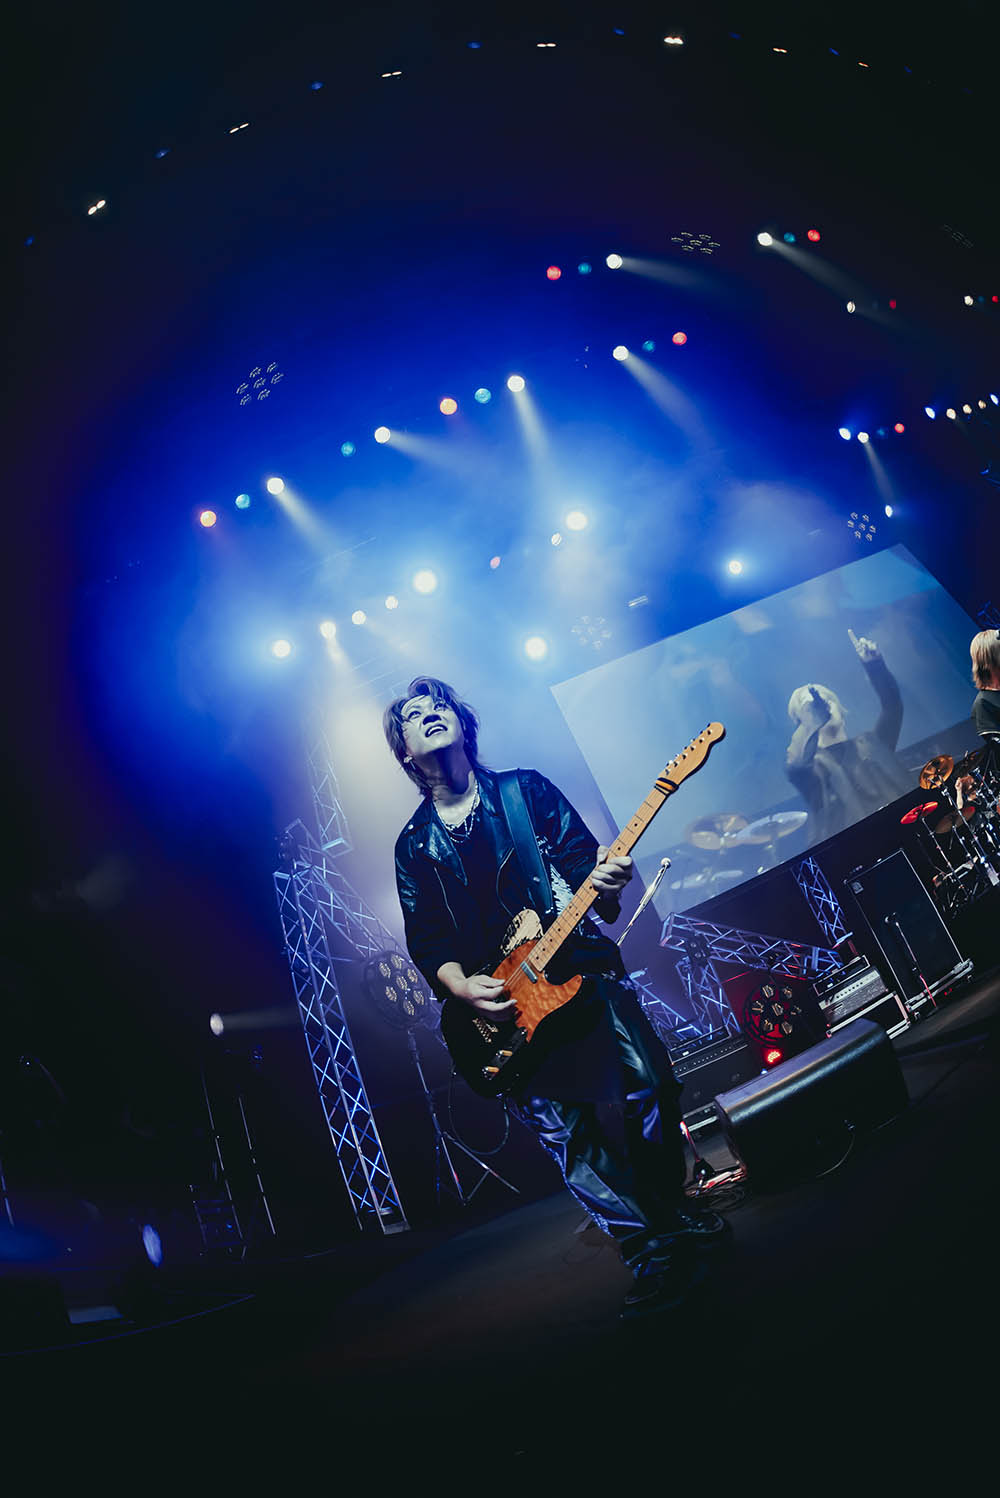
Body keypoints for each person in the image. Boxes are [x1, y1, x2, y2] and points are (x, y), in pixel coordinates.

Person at [384, 675, 730, 1317]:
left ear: (463, 723)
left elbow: (583, 867)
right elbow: (427, 942)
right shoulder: (414, 846)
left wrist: (608, 877)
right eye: (414, 714)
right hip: (504, 1010)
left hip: (577, 966)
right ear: (405, 751)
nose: (431, 713)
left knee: (651, 1086)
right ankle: (651, 1252)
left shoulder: (525, 791)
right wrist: (460, 985)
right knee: (570, 1140)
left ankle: (669, 1211)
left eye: (440, 704)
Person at [785, 629, 910, 845]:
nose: (824, 707)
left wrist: (874, 665)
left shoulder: (872, 743)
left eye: (827, 701)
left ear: (840, 709)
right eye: (811, 707)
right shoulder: (813, 769)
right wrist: (813, 722)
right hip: (862, 849)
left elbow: (892, 705)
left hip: (905, 831)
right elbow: (796, 768)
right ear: (803, 724)